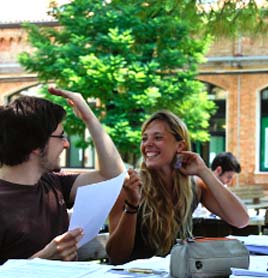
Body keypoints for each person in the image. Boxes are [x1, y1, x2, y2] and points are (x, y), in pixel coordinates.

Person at [0, 87, 126, 264]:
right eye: (61, 136)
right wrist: (41, 260)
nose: (66, 144)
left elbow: (113, 176)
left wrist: (89, 118)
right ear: (36, 144)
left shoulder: (54, 183)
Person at [106, 110, 249, 264]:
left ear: (180, 146)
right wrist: (132, 205)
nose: (147, 144)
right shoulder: (130, 185)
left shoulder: (194, 186)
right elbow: (116, 256)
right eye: (144, 138)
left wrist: (204, 171)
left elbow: (241, 219)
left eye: (158, 137)